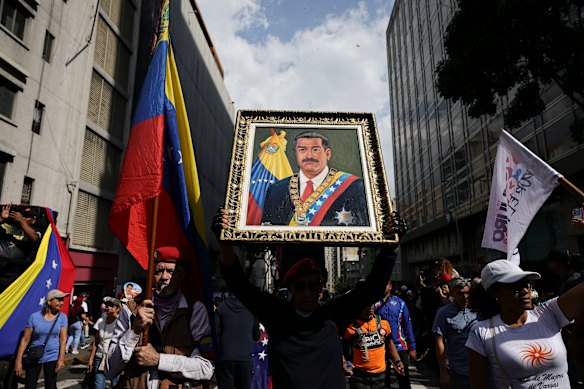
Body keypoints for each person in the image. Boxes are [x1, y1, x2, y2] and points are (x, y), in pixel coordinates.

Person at [213, 207, 407, 388]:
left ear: (321, 288)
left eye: (313, 286)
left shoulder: (333, 314)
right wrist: (225, 240)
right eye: (300, 286)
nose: (307, 293)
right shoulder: (276, 314)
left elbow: (372, 289)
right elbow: (239, 284)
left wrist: (391, 245)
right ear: (290, 288)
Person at [105, 246, 214, 388]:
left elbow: (206, 368)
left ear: (180, 275)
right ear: (150, 275)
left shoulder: (195, 310)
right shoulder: (130, 310)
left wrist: (159, 360)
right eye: (158, 271)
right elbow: (110, 369)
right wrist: (134, 330)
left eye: (170, 271)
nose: (164, 277)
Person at [466, 259, 584, 389]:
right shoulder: (481, 332)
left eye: (527, 284)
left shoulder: (549, 313)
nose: (524, 291)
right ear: (494, 293)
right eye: (514, 286)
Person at [260, 131, 369, 226]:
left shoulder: (355, 187)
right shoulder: (276, 189)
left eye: (315, 150)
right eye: (302, 150)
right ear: (296, 154)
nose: (309, 155)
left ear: (327, 154)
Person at [14, 289, 69, 389]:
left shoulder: (63, 317)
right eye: (59, 300)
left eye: (62, 300)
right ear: (49, 301)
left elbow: (63, 339)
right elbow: (25, 339)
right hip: (35, 355)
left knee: (51, 385)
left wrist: (61, 359)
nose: (62, 302)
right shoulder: (34, 317)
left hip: (52, 355)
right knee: (30, 385)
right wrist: (18, 361)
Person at [343, 304, 405, 389]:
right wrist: (344, 362)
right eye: (367, 306)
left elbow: (389, 343)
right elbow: (342, 348)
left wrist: (398, 361)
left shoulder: (383, 323)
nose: (370, 309)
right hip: (359, 377)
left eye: (372, 305)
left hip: (381, 376)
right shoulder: (350, 328)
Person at [432, 277, 478, 389]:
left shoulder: (478, 309)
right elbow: (439, 342)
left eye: (467, 293)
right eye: (461, 294)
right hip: (459, 372)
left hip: (481, 369)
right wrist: (443, 372)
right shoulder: (443, 313)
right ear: (452, 293)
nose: (465, 297)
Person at [374, 281, 416, 389]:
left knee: (403, 378)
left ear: (390, 286)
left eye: (385, 285)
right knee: (383, 380)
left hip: (400, 346)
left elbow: (408, 325)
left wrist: (412, 347)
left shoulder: (400, 303)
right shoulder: (373, 304)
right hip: (380, 346)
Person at [216, 295, 259, 389]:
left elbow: (215, 332)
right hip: (245, 358)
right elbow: (256, 336)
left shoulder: (221, 307)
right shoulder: (252, 309)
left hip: (225, 357)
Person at [88, 297, 121, 389]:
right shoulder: (100, 321)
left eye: (112, 306)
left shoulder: (121, 323)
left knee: (116, 385)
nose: (109, 307)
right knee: (98, 385)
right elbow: (96, 341)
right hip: (100, 356)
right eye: (107, 305)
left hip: (114, 358)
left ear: (118, 308)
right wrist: (91, 359)